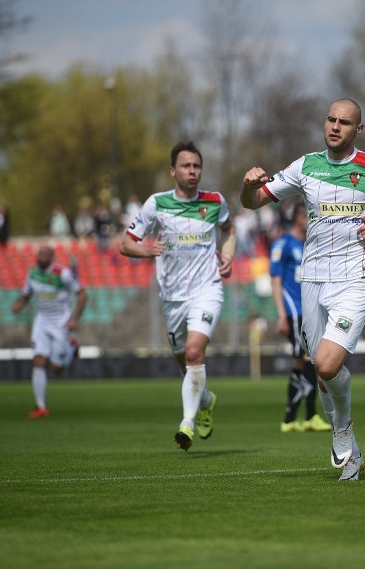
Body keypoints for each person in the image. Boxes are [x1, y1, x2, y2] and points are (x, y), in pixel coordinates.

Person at [241, 98, 365, 481]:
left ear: (359, 129)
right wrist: (247, 187)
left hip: (356, 276)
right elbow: (254, 202)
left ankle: (342, 430)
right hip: (313, 280)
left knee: (326, 363)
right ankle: (352, 457)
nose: (335, 126)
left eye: (345, 122)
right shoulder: (304, 166)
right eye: (330, 119)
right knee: (321, 372)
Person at [120, 141, 236, 452]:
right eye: (186, 166)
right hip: (172, 296)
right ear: (173, 170)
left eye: (197, 166)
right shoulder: (156, 204)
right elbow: (125, 243)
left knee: (194, 352)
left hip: (207, 289)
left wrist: (227, 255)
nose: (192, 171)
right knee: (185, 364)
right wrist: (145, 251)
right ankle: (207, 400)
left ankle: (187, 423)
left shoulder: (215, 201)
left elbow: (229, 230)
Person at [269, 202, 332, 434]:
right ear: (298, 217)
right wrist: (281, 315)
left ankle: (291, 417)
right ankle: (309, 415)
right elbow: (275, 280)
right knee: (309, 358)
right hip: (294, 310)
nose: (310, 219)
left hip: (310, 309)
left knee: (302, 360)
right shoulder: (284, 244)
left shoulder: (313, 244)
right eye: (307, 215)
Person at [11, 245, 88, 419]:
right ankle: (41, 407)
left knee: (56, 368)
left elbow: (82, 294)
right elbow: (26, 294)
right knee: (38, 360)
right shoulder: (32, 274)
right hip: (42, 321)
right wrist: (18, 305)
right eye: (40, 253)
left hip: (61, 323)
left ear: (52, 257)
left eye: (46, 254)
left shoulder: (63, 274)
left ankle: (71, 348)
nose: (42, 256)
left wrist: (74, 319)